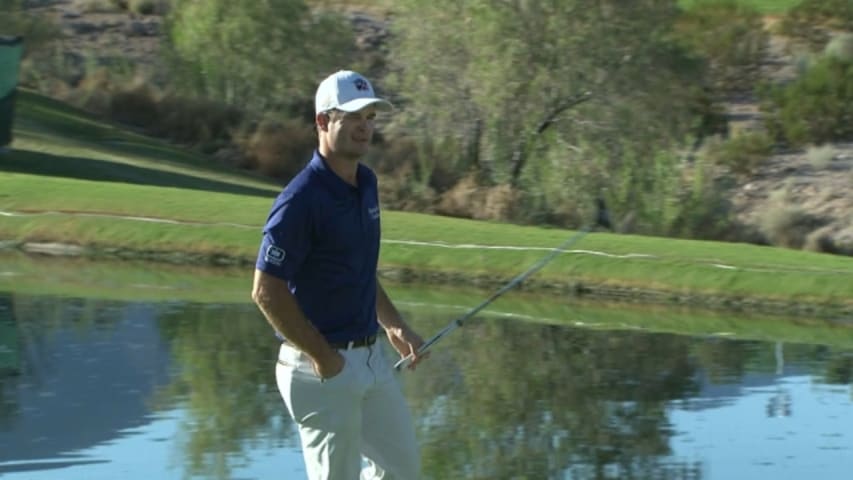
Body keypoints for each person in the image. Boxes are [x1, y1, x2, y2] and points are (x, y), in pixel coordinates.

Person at [251, 70, 427, 480]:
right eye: (352, 116)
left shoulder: (366, 182)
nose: (364, 126)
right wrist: (324, 357)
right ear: (322, 122)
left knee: (402, 472)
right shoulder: (300, 200)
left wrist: (394, 325)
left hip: (371, 359)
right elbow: (266, 291)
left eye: (370, 117)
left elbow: (360, 270)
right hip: (318, 369)